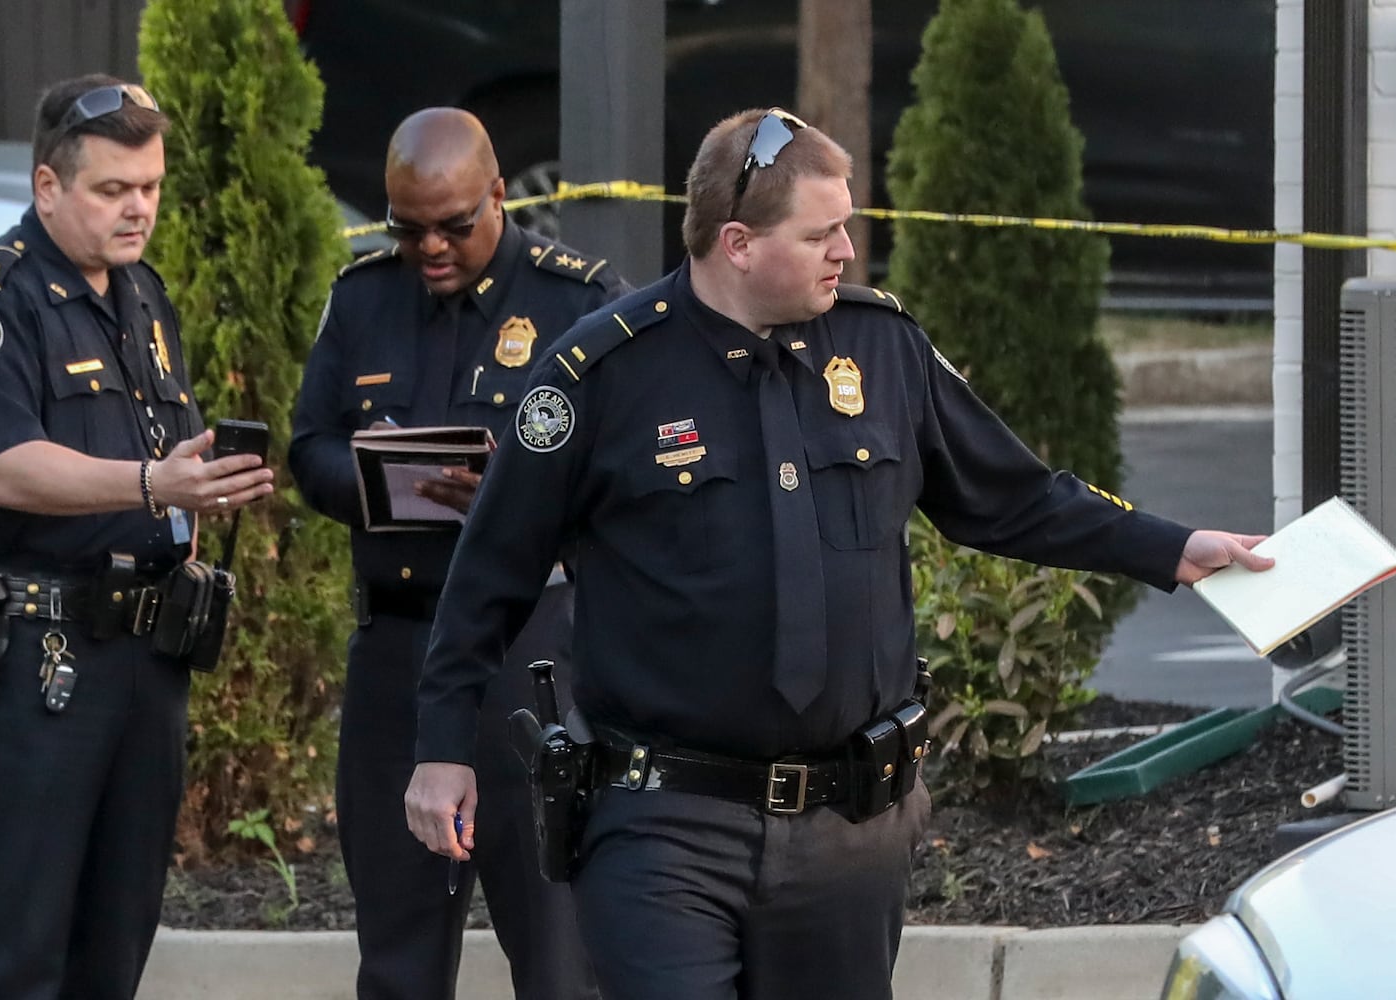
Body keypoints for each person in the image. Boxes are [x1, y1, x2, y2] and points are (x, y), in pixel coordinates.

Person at [400, 108, 1273, 999]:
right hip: (663, 823)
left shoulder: (881, 347)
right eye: (822, 233)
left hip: (850, 831)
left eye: (846, 226)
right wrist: (442, 749)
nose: (846, 251)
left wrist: (1173, 547)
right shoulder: (601, 374)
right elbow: (490, 573)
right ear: (737, 243)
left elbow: (1014, 499)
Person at [0, 74, 274, 1000]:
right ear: (47, 186)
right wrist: (157, 484)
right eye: (113, 190)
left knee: (114, 943)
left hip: (144, 655)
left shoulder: (141, 293)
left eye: (149, 187)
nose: (138, 208)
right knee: (13, 947)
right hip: (34, 657)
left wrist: (195, 498)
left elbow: (151, 441)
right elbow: (2, 469)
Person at [289, 107, 623, 1000]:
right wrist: (380, 476)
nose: (430, 247)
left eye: (453, 225)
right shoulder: (363, 299)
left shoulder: (576, 303)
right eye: (408, 228)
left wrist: (519, 501)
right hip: (399, 645)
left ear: (500, 196)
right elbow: (308, 447)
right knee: (398, 949)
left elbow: (627, 479)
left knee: (556, 948)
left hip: (529, 653)